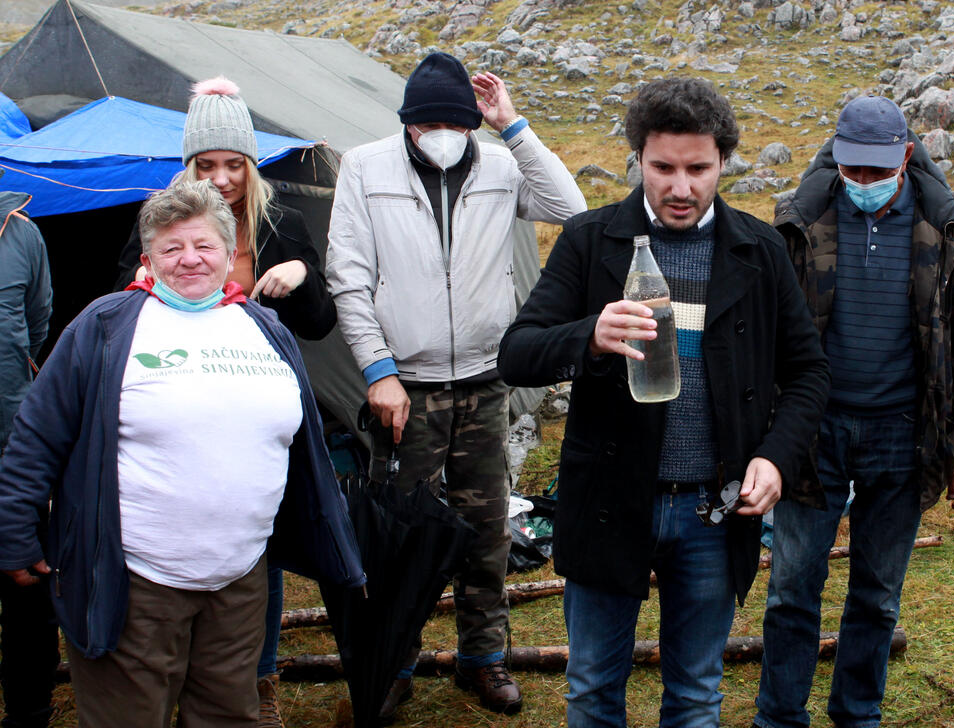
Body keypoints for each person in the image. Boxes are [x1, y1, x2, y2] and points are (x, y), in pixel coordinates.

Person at [497, 77, 830, 728]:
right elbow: (517, 352)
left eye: (698, 168)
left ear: (724, 163)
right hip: (608, 502)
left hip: (713, 513)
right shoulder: (591, 239)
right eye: (663, 168)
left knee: (696, 694)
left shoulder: (760, 251)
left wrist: (777, 457)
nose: (681, 188)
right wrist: (588, 334)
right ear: (638, 160)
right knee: (593, 689)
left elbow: (809, 371)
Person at [0, 180, 364, 728]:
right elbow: (37, 435)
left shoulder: (263, 328)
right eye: (172, 249)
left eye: (204, 246)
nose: (190, 259)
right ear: (148, 258)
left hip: (239, 579)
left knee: (226, 716)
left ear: (229, 252)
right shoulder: (104, 327)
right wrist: (14, 531)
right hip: (134, 580)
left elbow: (299, 445)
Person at [327, 51, 586, 719]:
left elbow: (571, 207)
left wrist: (513, 125)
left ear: (472, 122)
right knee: (397, 532)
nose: (440, 135)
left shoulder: (500, 163)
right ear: (406, 124)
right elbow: (349, 277)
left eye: (455, 123)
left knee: (485, 528)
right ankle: (394, 660)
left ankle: (483, 660)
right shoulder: (365, 167)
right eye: (426, 125)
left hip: (483, 379)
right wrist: (378, 371)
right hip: (403, 389)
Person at [753, 95, 954, 728]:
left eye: (874, 173)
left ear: (906, 157)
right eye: (850, 170)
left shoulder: (952, 227)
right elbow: (770, 336)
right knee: (791, 591)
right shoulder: (799, 221)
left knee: (878, 596)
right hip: (813, 432)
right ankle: (779, 716)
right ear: (835, 157)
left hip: (905, 436)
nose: (860, 183)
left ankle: (858, 714)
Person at [114, 76, 337, 728]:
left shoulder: (281, 222)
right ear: (188, 167)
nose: (220, 179)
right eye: (205, 165)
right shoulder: (161, 224)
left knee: (255, 541)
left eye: (232, 164)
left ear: (250, 163)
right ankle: (177, 675)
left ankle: (257, 678)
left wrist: (301, 275)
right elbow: (120, 304)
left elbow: (320, 323)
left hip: (258, 408)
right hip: (177, 409)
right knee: (185, 541)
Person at [0, 184, 57, 728]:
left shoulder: (22, 234)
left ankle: (30, 712)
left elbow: (36, 323)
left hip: (11, 445)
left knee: (24, 583)